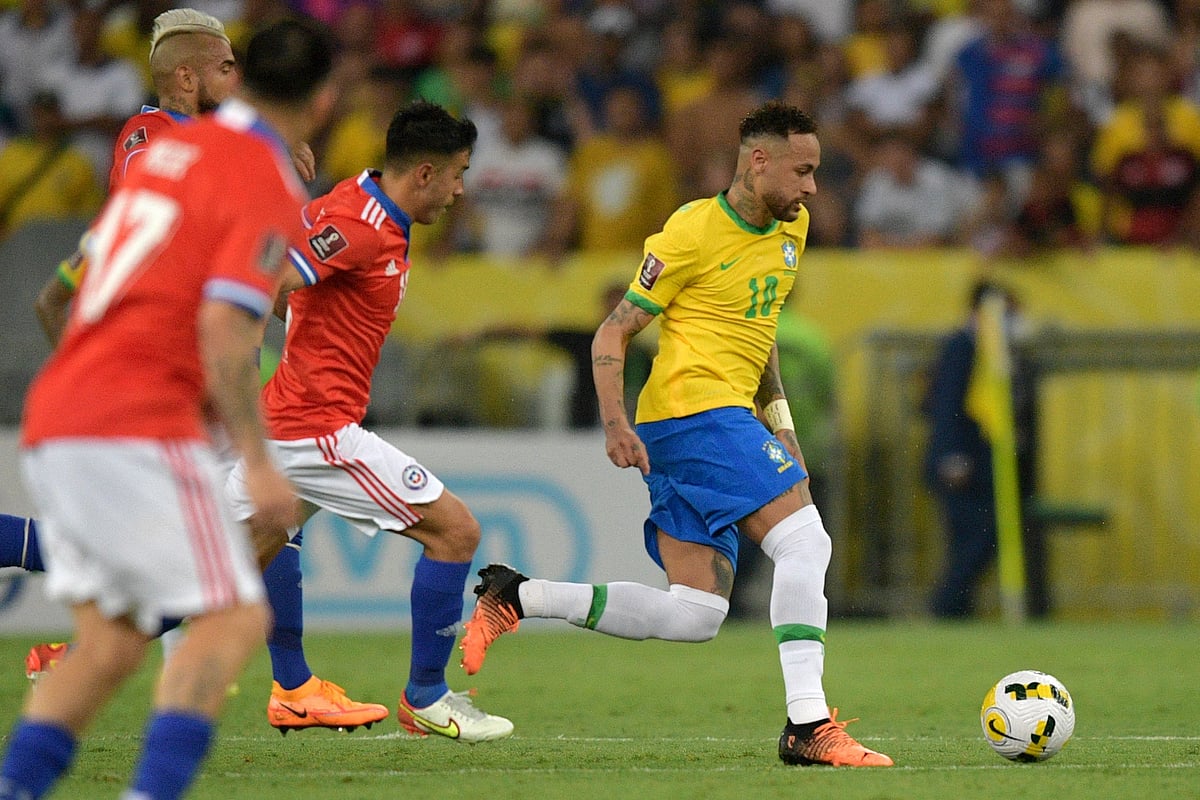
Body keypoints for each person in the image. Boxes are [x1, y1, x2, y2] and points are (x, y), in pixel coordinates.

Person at [461, 100, 893, 767]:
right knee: (807, 542)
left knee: (695, 616)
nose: (811, 187)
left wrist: (781, 425)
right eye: (802, 171)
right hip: (697, 414)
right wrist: (614, 423)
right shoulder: (690, 231)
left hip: (717, 419)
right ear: (758, 161)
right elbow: (613, 330)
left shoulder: (792, 230)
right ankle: (808, 725)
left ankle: (516, 594)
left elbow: (760, 339)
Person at [15, 7, 385, 736]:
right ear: (185, 75)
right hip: (172, 380)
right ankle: (290, 684)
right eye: (224, 69)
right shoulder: (156, 137)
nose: (236, 83)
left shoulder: (219, 151)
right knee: (248, 514)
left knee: (234, 529)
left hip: (174, 379)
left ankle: (287, 681)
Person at [224, 99, 513, 743]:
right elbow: (271, 280)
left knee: (236, 559)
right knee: (456, 533)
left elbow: (295, 277)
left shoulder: (359, 194)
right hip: (316, 430)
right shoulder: (360, 224)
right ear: (425, 174)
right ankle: (428, 699)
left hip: (291, 420)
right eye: (460, 173)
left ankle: (291, 688)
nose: (462, 190)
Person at [922, 280, 1042, 619]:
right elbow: (946, 405)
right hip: (960, 463)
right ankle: (946, 607)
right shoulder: (961, 346)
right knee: (977, 538)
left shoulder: (996, 350)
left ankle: (956, 610)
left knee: (981, 538)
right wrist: (951, 456)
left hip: (984, 465)